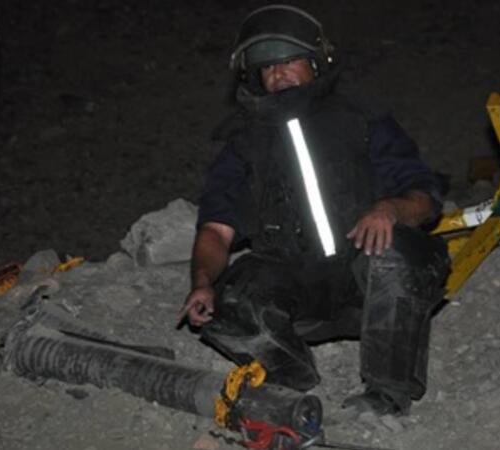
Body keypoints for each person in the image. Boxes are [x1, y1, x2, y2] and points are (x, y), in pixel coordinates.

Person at [180, 4, 449, 416]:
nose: (278, 73)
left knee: (398, 252)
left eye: (289, 61)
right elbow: (216, 231)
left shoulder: (362, 118)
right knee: (230, 299)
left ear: (317, 61)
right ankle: (290, 379)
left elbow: (425, 196)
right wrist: (201, 282)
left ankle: (386, 395)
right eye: (267, 67)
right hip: (296, 285)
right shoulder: (242, 143)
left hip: (365, 280)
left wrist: (389, 209)